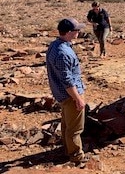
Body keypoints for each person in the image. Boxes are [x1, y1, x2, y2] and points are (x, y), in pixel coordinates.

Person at [46, 18, 89, 165]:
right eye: (77, 30)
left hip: (62, 94)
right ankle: (76, 155)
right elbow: (67, 80)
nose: (79, 32)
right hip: (70, 95)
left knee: (66, 124)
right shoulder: (63, 53)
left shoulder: (55, 45)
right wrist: (78, 98)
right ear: (70, 32)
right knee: (75, 128)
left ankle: (67, 149)